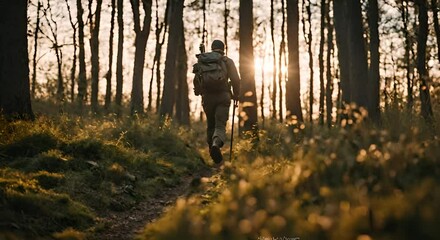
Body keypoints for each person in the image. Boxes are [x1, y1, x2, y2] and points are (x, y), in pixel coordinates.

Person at [193, 40, 240, 164]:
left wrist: (198, 91)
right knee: (220, 125)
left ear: (212, 48)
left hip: (208, 97)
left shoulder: (203, 60)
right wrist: (236, 95)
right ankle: (216, 144)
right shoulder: (227, 61)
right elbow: (236, 79)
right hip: (223, 96)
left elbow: (196, 79)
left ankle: (212, 151)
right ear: (223, 49)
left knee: (211, 125)